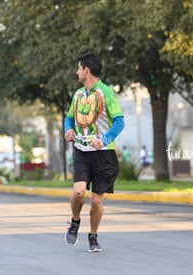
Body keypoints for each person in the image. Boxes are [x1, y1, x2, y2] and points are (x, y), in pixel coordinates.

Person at [64, 53, 125, 252]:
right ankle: (74, 221)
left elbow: (119, 122)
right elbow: (69, 118)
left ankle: (93, 236)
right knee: (79, 192)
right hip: (82, 150)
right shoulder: (78, 95)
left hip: (103, 154)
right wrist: (68, 129)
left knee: (97, 201)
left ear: (86, 70)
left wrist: (104, 139)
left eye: (79, 68)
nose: (77, 72)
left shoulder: (106, 93)